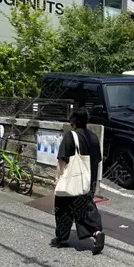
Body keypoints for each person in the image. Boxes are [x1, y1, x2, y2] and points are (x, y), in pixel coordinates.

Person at [50, 107, 106, 255]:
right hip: (88, 182)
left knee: (63, 208)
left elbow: (62, 160)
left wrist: (57, 179)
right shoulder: (93, 136)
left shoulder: (71, 136)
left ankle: (61, 238)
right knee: (86, 208)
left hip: (72, 182)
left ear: (73, 121)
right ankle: (97, 233)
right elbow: (98, 159)